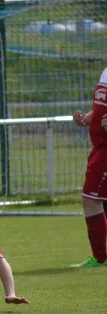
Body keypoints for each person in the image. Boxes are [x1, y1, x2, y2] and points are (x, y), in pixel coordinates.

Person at [71, 67, 107, 268]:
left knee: (91, 199)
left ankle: (101, 258)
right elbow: (102, 109)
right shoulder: (105, 72)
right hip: (100, 146)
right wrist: (88, 117)